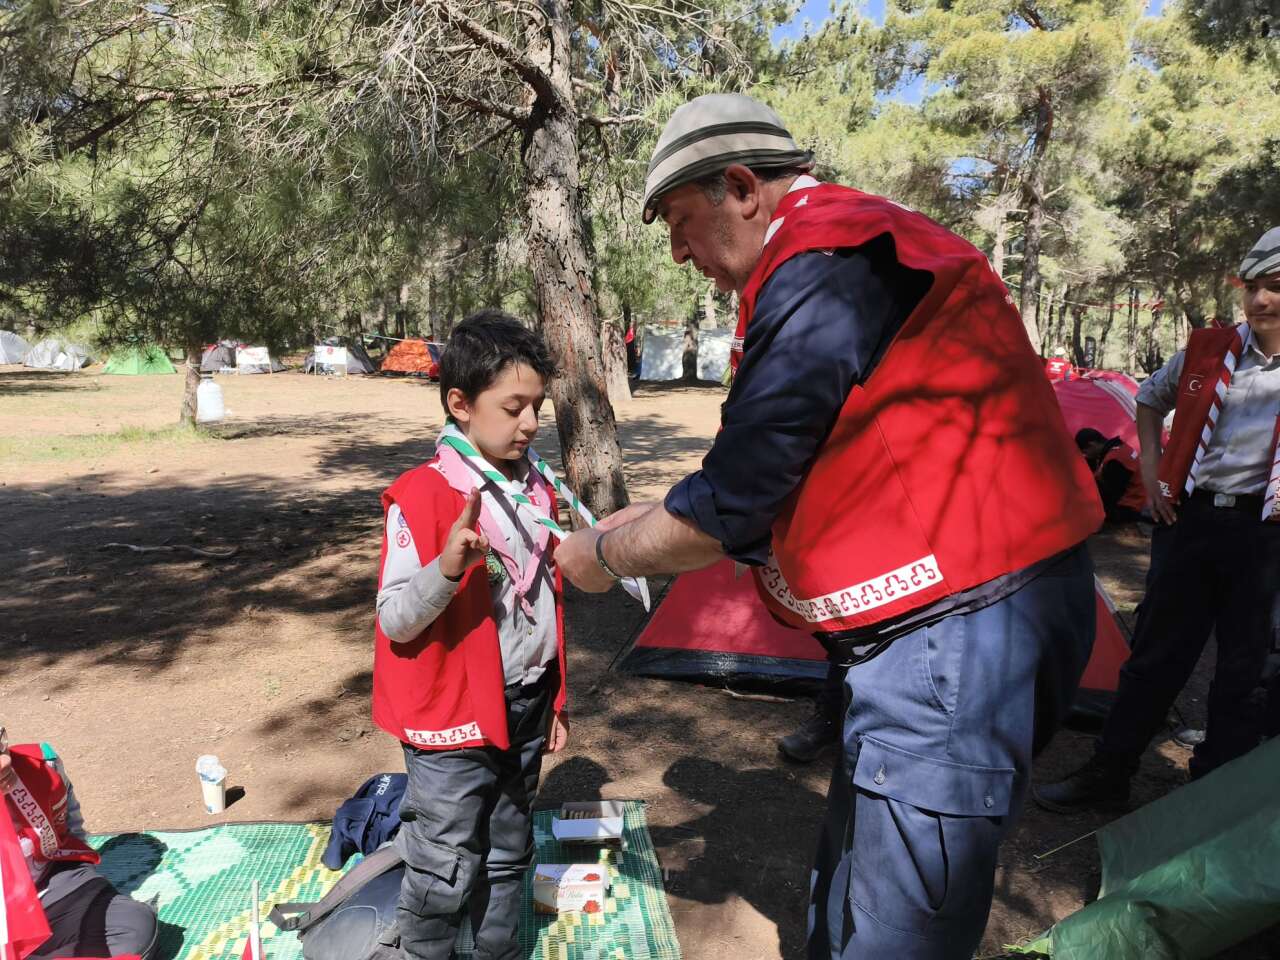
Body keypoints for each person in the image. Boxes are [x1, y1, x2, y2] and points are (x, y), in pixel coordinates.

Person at [554, 93, 1102, 959]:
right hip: (956, 630)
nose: (679, 251)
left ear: (741, 187)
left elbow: (737, 500)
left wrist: (603, 551)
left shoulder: (820, 258)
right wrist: (657, 514)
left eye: (684, 222)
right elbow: (807, 458)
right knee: (850, 895)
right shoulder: (843, 246)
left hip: (952, 646)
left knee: (893, 936)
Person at [1035, 228, 1280, 811]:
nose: (1261, 301)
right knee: (1154, 657)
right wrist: (1150, 468)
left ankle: (1210, 795)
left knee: (1250, 673)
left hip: (1269, 539)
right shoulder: (1208, 349)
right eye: (1252, 288)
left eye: (1276, 288)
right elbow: (1149, 399)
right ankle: (1108, 773)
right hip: (1192, 524)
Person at [372, 311, 570, 960]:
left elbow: (541, 600)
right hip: (454, 717)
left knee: (510, 848)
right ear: (460, 404)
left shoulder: (537, 483)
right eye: (513, 406)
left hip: (525, 702)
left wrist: (555, 696)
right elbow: (396, 619)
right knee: (445, 861)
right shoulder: (425, 496)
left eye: (537, 405)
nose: (532, 422)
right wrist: (446, 570)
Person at [0, 726, 158, 959]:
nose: (3, 761)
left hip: (51, 890)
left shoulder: (41, 768)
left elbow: (71, 830)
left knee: (136, 926)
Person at [1075, 426, 1149, 522]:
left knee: (1079, 510)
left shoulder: (1115, 461)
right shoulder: (1119, 448)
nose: (1086, 455)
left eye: (1085, 452)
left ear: (1092, 445)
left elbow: (1110, 494)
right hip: (1137, 500)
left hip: (1129, 508)